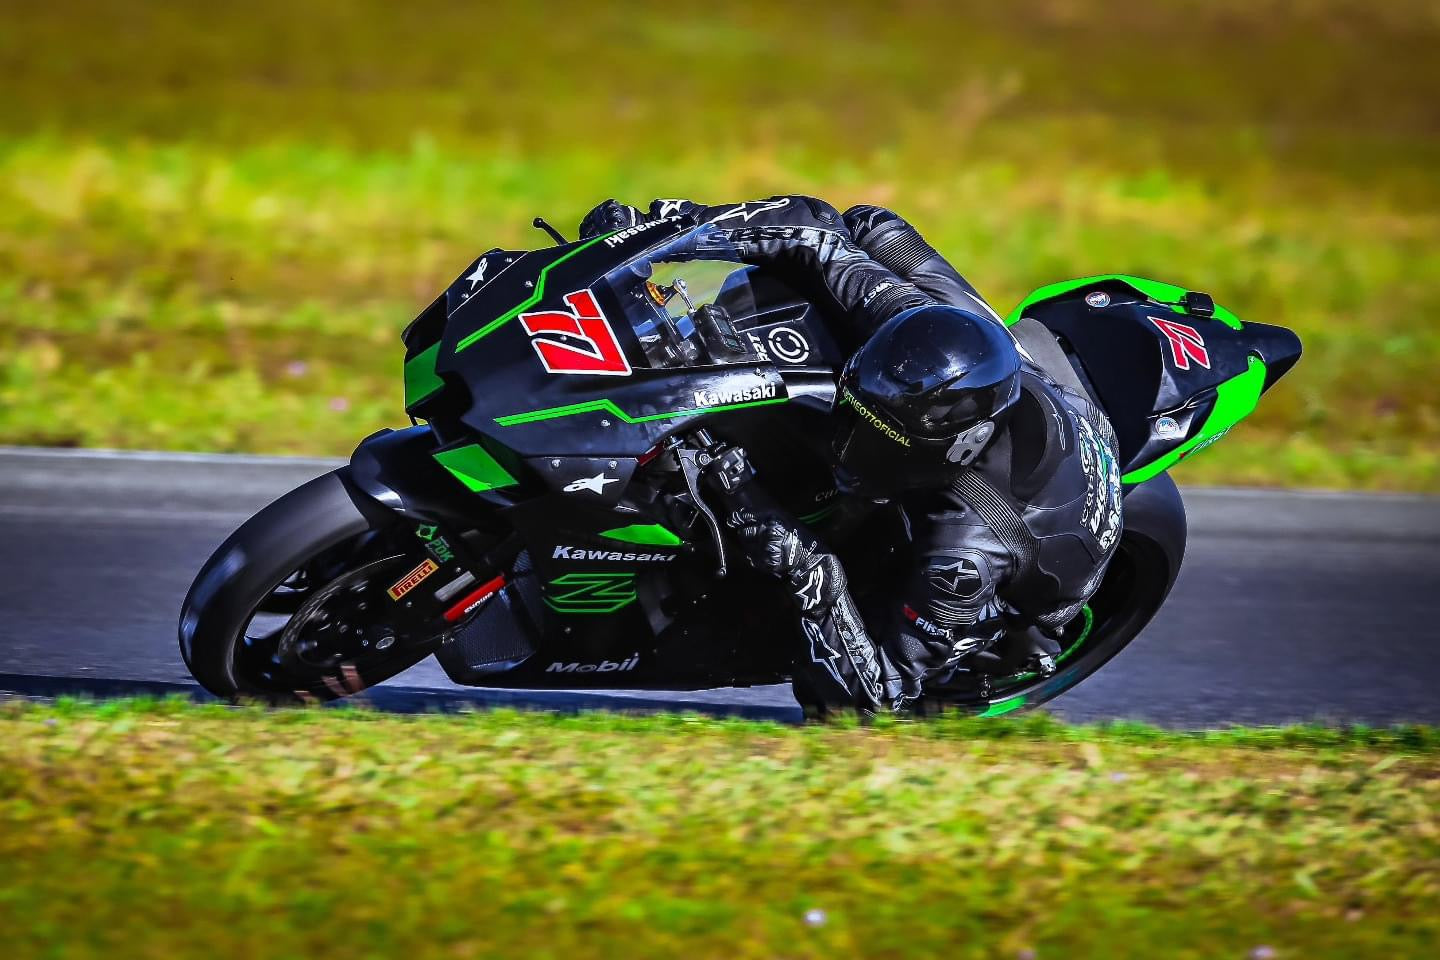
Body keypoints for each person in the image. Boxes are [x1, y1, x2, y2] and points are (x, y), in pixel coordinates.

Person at [579, 197, 1124, 714]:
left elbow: (874, 697)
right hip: (1032, 385)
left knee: (831, 605)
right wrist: (663, 232)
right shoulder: (912, 325)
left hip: (1043, 554)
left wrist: (805, 562)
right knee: (873, 229)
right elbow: (818, 230)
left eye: (879, 437)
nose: (849, 442)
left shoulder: (967, 551)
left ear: (952, 448)